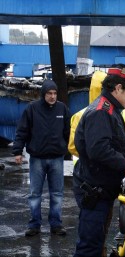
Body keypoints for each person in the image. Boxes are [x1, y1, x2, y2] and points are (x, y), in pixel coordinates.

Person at [72, 64, 125, 257]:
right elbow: (99, 150)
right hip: (95, 189)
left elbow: (119, 135)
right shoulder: (101, 112)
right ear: (117, 88)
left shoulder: (109, 108)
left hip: (101, 187)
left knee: (96, 242)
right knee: (89, 246)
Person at [12, 79, 71, 237]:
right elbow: (22, 130)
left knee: (57, 193)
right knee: (35, 193)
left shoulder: (62, 109)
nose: (52, 96)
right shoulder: (32, 109)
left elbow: (68, 131)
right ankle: (34, 225)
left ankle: (56, 224)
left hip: (57, 159)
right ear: (43, 94)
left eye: (55, 93)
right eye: (49, 93)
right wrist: (18, 151)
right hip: (37, 159)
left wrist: (65, 148)